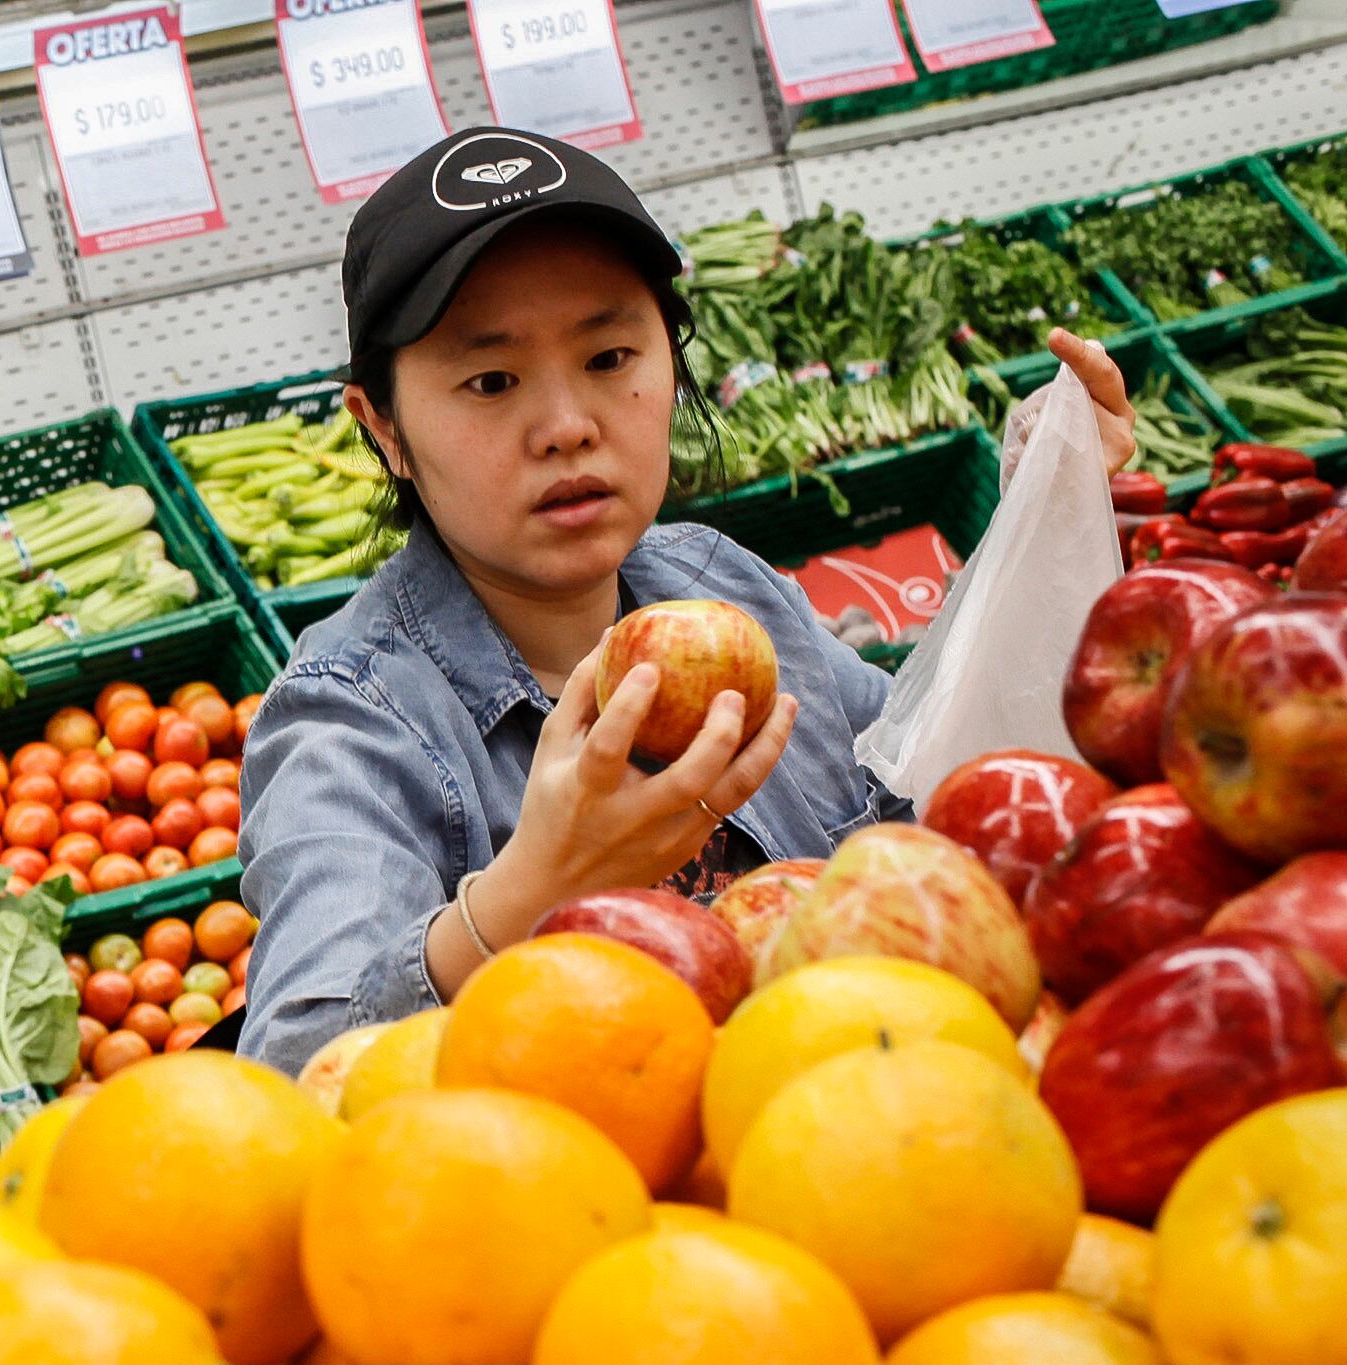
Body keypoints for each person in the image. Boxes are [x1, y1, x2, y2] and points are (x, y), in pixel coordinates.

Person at [236, 129, 1137, 1076]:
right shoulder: (349, 722)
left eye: (611, 355)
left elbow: (928, 776)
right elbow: (299, 1068)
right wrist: (514, 905)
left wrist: (1041, 519)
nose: (568, 427)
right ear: (382, 427)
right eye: (491, 380)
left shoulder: (720, 584)